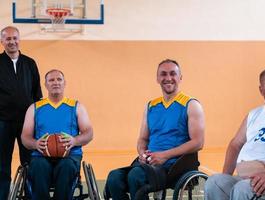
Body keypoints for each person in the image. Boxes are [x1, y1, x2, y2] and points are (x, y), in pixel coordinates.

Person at [105, 59, 205, 200]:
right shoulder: (151, 106)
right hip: (150, 165)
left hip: (175, 167)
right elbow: (143, 139)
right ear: (158, 79)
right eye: (163, 74)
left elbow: (198, 142)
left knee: (136, 176)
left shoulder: (191, 105)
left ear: (180, 78)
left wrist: (164, 155)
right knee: (114, 178)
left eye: (173, 74)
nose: (168, 78)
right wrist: (142, 153)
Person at [204, 67, 265, 200]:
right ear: (262, 90)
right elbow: (235, 144)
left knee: (243, 189)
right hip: (245, 178)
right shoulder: (254, 115)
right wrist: (225, 175)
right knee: (215, 182)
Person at [21, 69, 93, 200]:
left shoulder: (76, 106)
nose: (55, 83)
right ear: (46, 85)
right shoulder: (34, 108)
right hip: (41, 155)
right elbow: (25, 137)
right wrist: (35, 144)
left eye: (59, 79)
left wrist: (74, 141)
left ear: (65, 83)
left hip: (70, 155)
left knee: (66, 166)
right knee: (37, 166)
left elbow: (89, 133)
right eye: (51, 80)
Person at [0, 26, 42, 199]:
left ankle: (29, 195)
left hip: (27, 123)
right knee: (2, 163)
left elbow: (37, 93)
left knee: (29, 163)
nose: (12, 42)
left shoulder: (30, 63)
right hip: (3, 121)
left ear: (19, 39)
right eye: (8, 39)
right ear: (2, 42)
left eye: (14, 38)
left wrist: (38, 119)